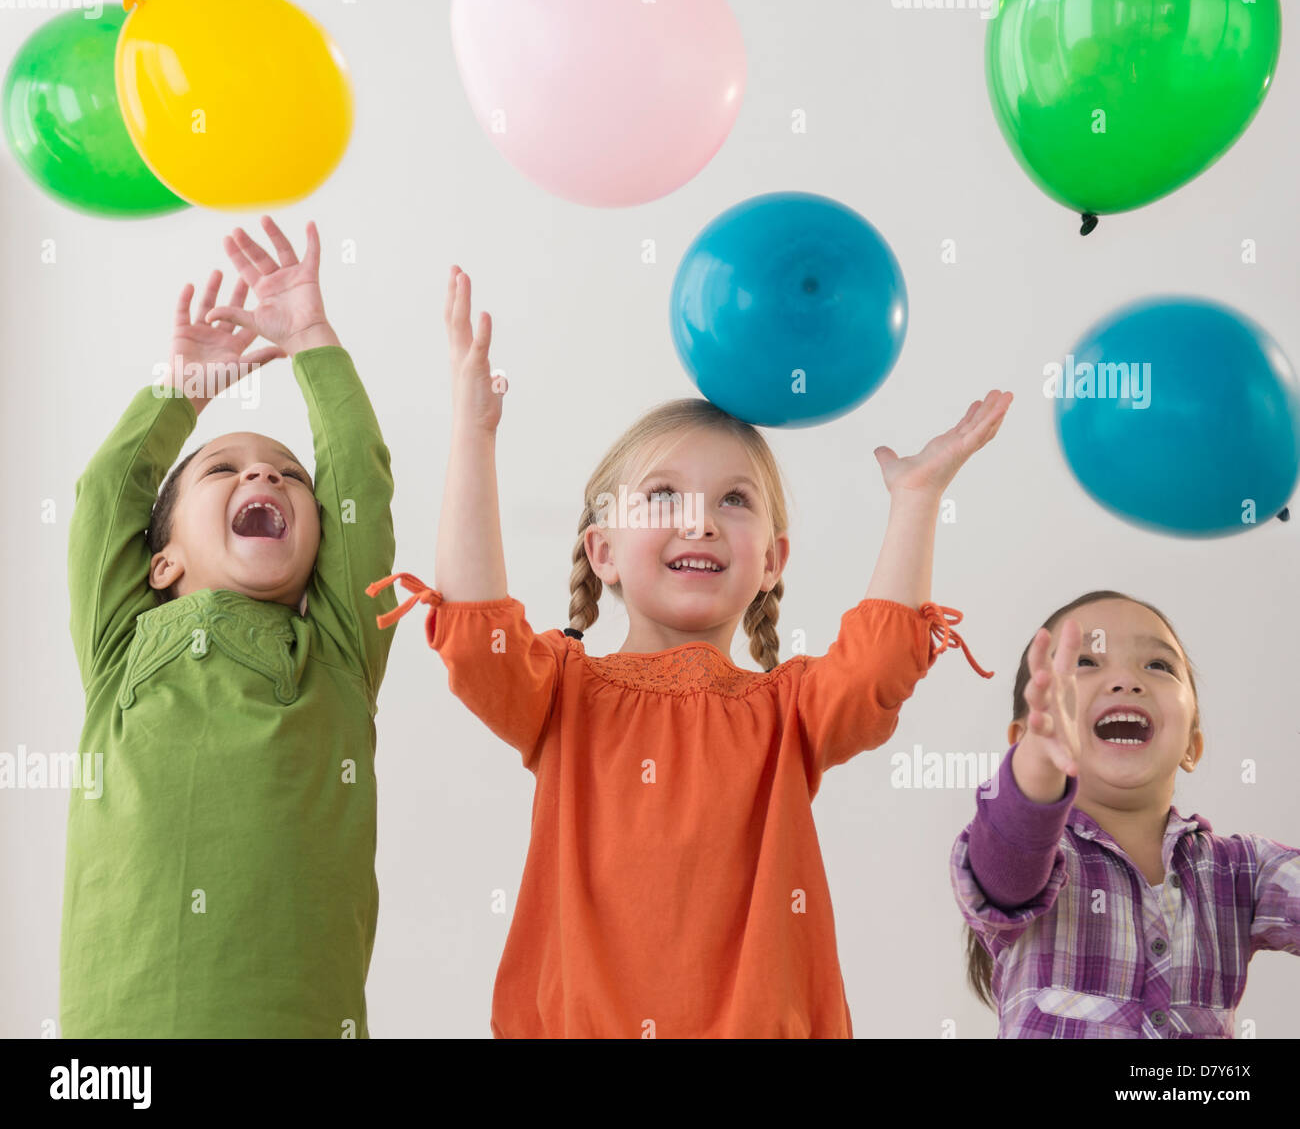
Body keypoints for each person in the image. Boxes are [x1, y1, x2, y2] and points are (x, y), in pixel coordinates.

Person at [367, 266, 1010, 1037]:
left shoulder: (788, 712)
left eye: (733, 499)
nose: (700, 522)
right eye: (664, 495)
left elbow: (877, 665)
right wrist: (473, 435)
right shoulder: (560, 692)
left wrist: (917, 499)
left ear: (772, 560)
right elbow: (476, 634)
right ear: (601, 550)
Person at [62, 217, 397, 1037]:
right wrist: (179, 396)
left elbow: (358, 478)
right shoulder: (121, 648)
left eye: (289, 475)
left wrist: (311, 338)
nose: (263, 473)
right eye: (227, 468)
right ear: (162, 562)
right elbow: (106, 498)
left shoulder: (338, 652)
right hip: (119, 1038)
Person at [952, 591, 1300, 1037]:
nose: (1126, 680)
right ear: (1025, 738)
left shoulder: (1242, 870)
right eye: (1085, 663)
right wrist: (1037, 767)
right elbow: (1006, 861)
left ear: (1192, 746)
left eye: (1158, 666)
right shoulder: (1041, 858)